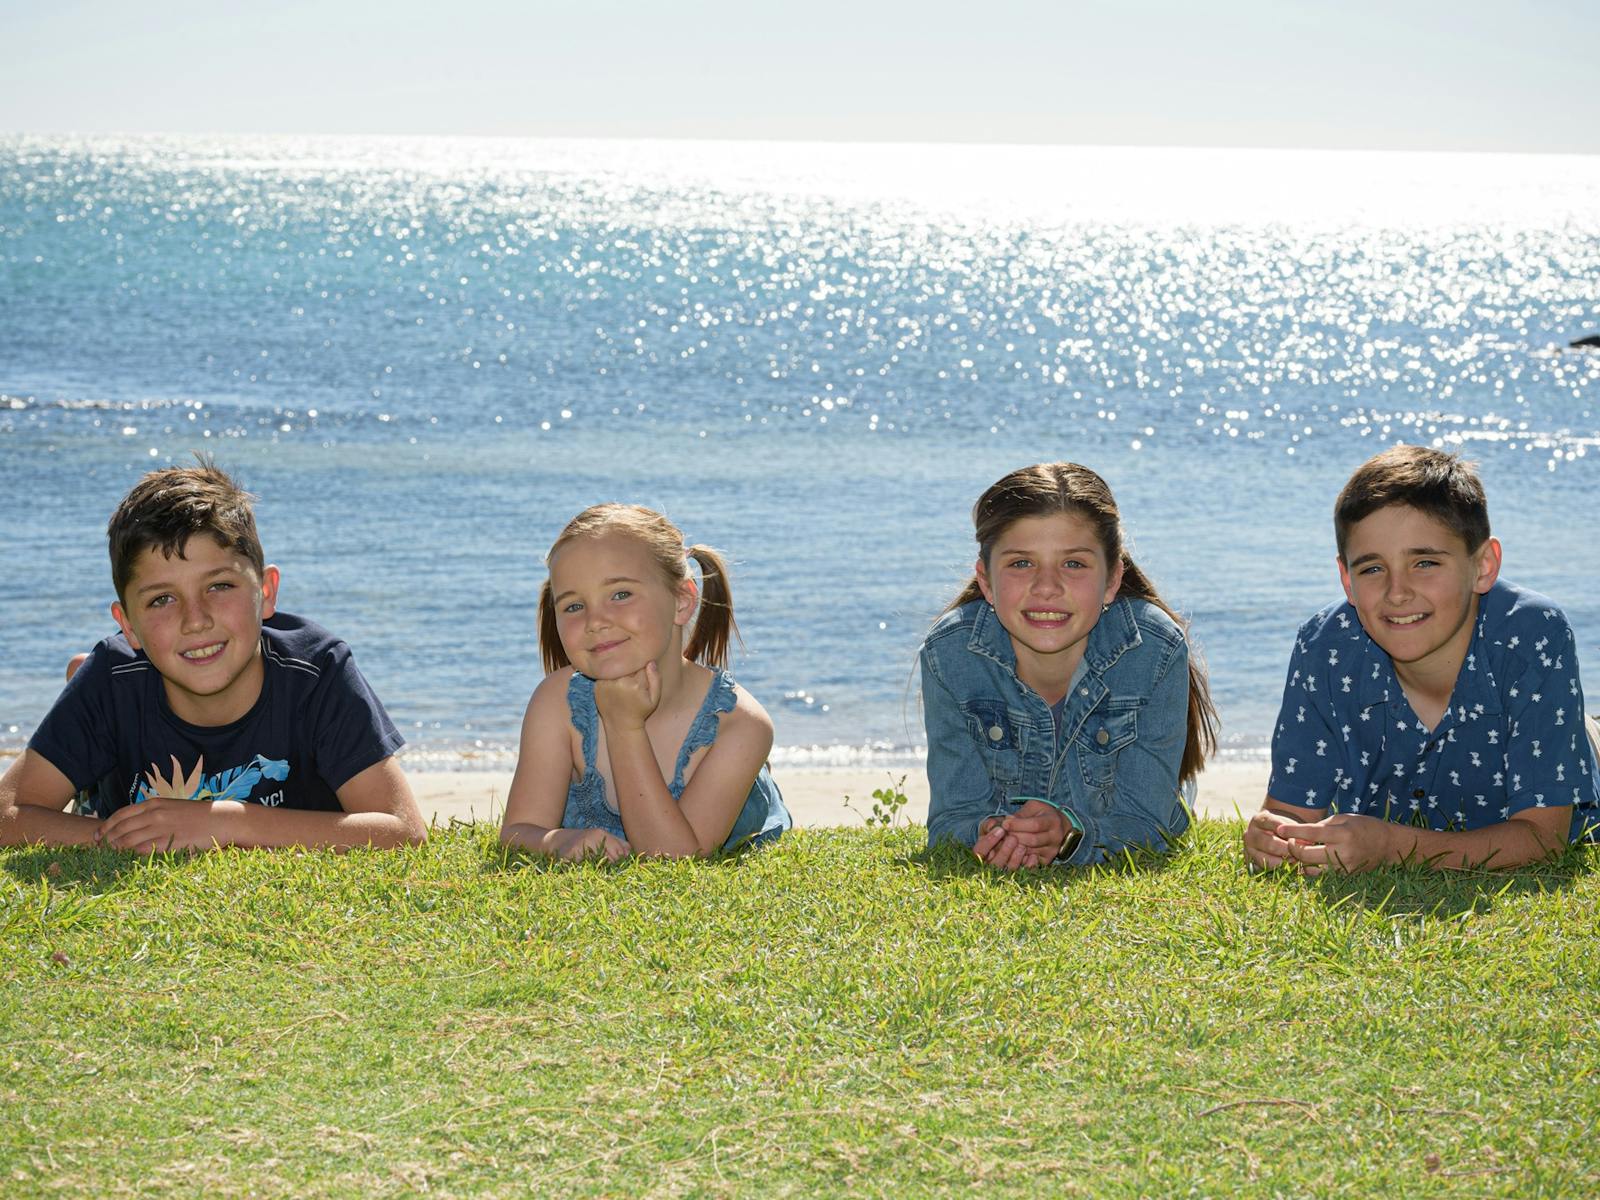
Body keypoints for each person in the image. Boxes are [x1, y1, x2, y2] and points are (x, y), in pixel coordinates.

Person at [0, 459, 425, 852]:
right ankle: (88, 770)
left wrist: (226, 822)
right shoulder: (114, 679)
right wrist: (123, 837)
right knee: (94, 676)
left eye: (219, 586)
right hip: (111, 738)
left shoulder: (316, 671)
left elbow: (404, 831)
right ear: (128, 624)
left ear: (266, 591)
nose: (196, 620)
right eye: (162, 599)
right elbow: (7, 816)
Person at [1244, 445, 1600, 875]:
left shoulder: (1533, 634)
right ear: (1347, 580)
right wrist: (1275, 834)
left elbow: (1544, 839)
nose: (1397, 592)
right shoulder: (1324, 647)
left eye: (1425, 562)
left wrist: (1392, 847)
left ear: (1483, 566)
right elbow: (1291, 812)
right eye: (1372, 569)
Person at [922, 462, 1217, 868]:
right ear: (986, 581)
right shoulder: (951, 652)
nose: (1047, 587)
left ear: (1112, 580)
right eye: (1021, 563)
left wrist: (1072, 835)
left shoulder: (1154, 647)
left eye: (1073, 564)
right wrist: (993, 833)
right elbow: (951, 819)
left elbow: (1148, 824)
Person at [500, 504, 790, 860]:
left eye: (620, 595)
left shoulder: (741, 724)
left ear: (682, 602)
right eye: (574, 606)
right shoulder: (556, 703)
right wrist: (555, 842)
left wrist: (624, 726)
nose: (595, 621)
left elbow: (672, 858)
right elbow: (519, 831)